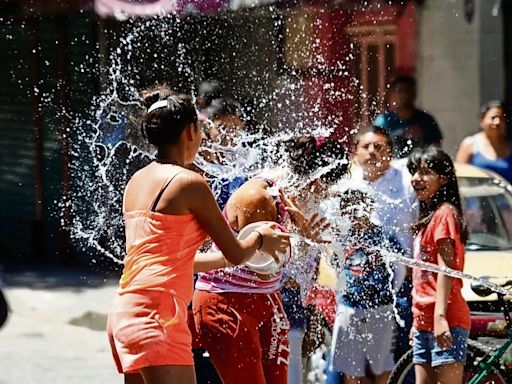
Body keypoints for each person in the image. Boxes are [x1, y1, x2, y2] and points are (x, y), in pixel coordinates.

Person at [106, 85, 290, 384]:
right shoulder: (189, 183)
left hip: (125, 313)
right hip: (159, 318)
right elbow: (236, 253)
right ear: (191, 131)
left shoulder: (137, 180)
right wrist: (260, 239)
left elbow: (179, 262)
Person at [193, 134, 349, 384]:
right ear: (309, 176)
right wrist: (300, 235)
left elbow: (292, 270)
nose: (323, 193)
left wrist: (305, 235)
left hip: (267, 301)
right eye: (322, 183)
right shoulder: (259, 198)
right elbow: (264, 264)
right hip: (227, 302)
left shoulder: (292, 201)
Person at [348, 125, 418, 362]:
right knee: (352, 361)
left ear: (390, 152)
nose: (372, 152)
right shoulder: (347, 184)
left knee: (398, 358)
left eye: (379, 147)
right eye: (365, 147)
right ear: (355, 152)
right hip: (356, 284)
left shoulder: (408, 183)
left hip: (400, 284)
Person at [407, 146, 471, 384]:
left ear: (443, 179)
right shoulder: (428, 217)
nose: (416, 179)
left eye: (424, 173)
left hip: (447, 317)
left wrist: (440, 316)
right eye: (414, 172)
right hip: (424, 318)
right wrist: (418, 322)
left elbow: (445, 268)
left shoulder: (445, 214)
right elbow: (421, 276)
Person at [327, 189, 401, 384]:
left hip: (381, 308)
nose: (354, 211)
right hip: (349, 307)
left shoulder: (385, 236)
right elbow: (335, 270)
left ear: (369, 206)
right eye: (348, 207)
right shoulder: (341, 239)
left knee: (382, 366)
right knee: (350, 367)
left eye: (358, 205)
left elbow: (399, 271)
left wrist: (390, 295)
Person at [374, 75, 443, 158]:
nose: (404, 95)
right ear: (392, 94)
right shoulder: (382, 121)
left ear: (414, 93)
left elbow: (436, 149)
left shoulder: (427, 120)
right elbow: (376, 146)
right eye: (400, 91)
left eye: (407, 90)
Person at [455, 100, 512, 183]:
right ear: (482, 120)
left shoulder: (509, 146)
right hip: (476, 195)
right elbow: (459, 177)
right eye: (493, 118)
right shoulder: (470, 144)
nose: (497, 122)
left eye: (501, 119)